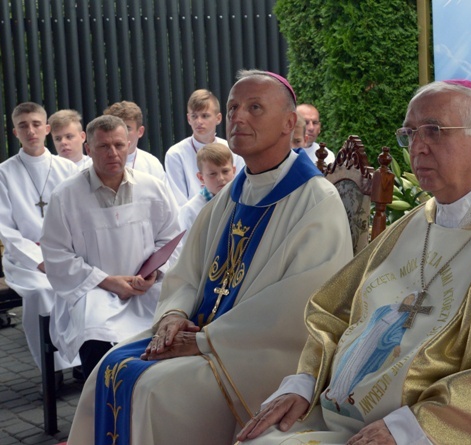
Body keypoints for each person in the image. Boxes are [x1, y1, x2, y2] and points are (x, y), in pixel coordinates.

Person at [237, 80, 471, 444]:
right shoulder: (417, 223)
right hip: (343, 412)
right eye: (410, 134)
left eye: (434, 131)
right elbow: (334, 310)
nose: (418, 147)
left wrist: (415, 428)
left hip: (438, 428)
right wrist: (304, 382)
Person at [66, 70, 353, 445]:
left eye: (254, 108)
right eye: (233, 107)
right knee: (109, 365)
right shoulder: (234, 191)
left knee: (155, 389)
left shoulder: (315, 199)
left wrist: (208, 341)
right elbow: (189, 270)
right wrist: (173, 313)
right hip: (206, 337)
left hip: (261, 356)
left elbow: (303, 305)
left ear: (288, 123)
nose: (238, 117)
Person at [40, 114, 181, 379]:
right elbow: (57, 255)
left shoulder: (153, 188)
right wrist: (107, 281)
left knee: (174, 328)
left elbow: (171, 240)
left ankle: (155, 404)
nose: (113, 153)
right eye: (104, 146)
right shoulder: (65, 196)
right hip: (93, 291)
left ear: (129, 144)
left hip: (146, 289)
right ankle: (101, 409)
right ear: (89, 149)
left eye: (119, 144)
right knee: (96, 337)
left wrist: (153, 274)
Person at [0, 102, 79, 372]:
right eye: (23, 126)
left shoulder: (67, 169)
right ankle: (52, 368)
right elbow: (6, 229)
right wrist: (38, 260)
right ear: (15, 132)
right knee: (42, 291)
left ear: (46, 128)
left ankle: (83, 358)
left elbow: (79, 215)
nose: (30, 130)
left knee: (84, 289)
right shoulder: (4, 173)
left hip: (66, 253)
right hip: (25, 260)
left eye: (36, 124)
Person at [165, 88, 245, 205]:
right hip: (193, 218)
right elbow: (178, 201)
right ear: (188, 119)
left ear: (218, 118)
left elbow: (241, 188)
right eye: (194, 116)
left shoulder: (233, 149)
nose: (199, 121)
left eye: (205, 116)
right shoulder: (175, 154)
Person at [178, 142, 236, 242]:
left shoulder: (244, 199)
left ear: (234, 171)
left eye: (225, 171)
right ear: (201, 177)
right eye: (212, 174)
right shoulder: (191, 211)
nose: (221, 178)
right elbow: (187, 250)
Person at [103, 101, 167, 182]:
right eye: (116, 128)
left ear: (140, 132)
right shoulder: (95, 163)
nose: (121, 134)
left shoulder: (152, 164)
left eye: (127, 128)